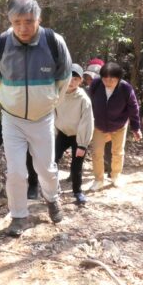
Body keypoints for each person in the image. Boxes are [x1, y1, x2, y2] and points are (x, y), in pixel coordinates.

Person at [0, 0, 72, 238]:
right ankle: (18, 215)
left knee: (45, 168)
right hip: (12, 119)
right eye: (17, 22)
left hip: (43, 117)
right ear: (10, 21)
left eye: (28, 21)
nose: (23, 28)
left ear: (39, 19)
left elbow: (64, 78)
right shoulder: (1, 44)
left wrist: (51, 102)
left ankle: (52, 198)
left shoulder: (54, 42)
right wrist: (8, 100)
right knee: (15, 171)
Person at [0, 81, 39, 197]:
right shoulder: (6, 63)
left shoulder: (30, 65)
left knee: (29, 148)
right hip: (3, 112)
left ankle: (33, 184)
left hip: (25, 114)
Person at [87, 62, 142, 189]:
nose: (108, 82)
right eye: (105, 78)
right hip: (99, 125)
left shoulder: (126, 88)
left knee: (117, 152)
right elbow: (88, 104)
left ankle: (115, 176)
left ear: (118, 78)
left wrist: (136, 128)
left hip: (119, 124)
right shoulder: (95, 85)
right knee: (96, 152)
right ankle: (98, 179)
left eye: (112, 79)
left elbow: (133, 108)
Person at [54, 64, 95, 204]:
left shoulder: (83, 99)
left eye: (76, 79)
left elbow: (87, 122)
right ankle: (53, 190)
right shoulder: (57, 93)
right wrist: (52, 134)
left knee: (76, 164)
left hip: (78, 135)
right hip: (63, 133)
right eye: (69, 77)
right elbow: (52, 115)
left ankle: (77, 192)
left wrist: (82, 145)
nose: (72, 81)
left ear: (81, 81)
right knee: (52, 160)